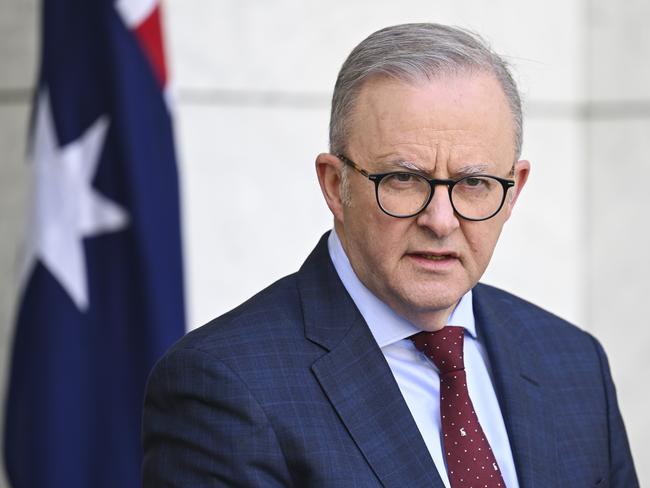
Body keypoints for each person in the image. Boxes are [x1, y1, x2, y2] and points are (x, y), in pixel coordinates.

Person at [142, 23, 639, 487]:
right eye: (404, 179)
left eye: (473, 183)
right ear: (336, 186)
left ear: (513, 191)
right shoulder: (223, 386)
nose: (441, 221)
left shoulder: (575, 365)